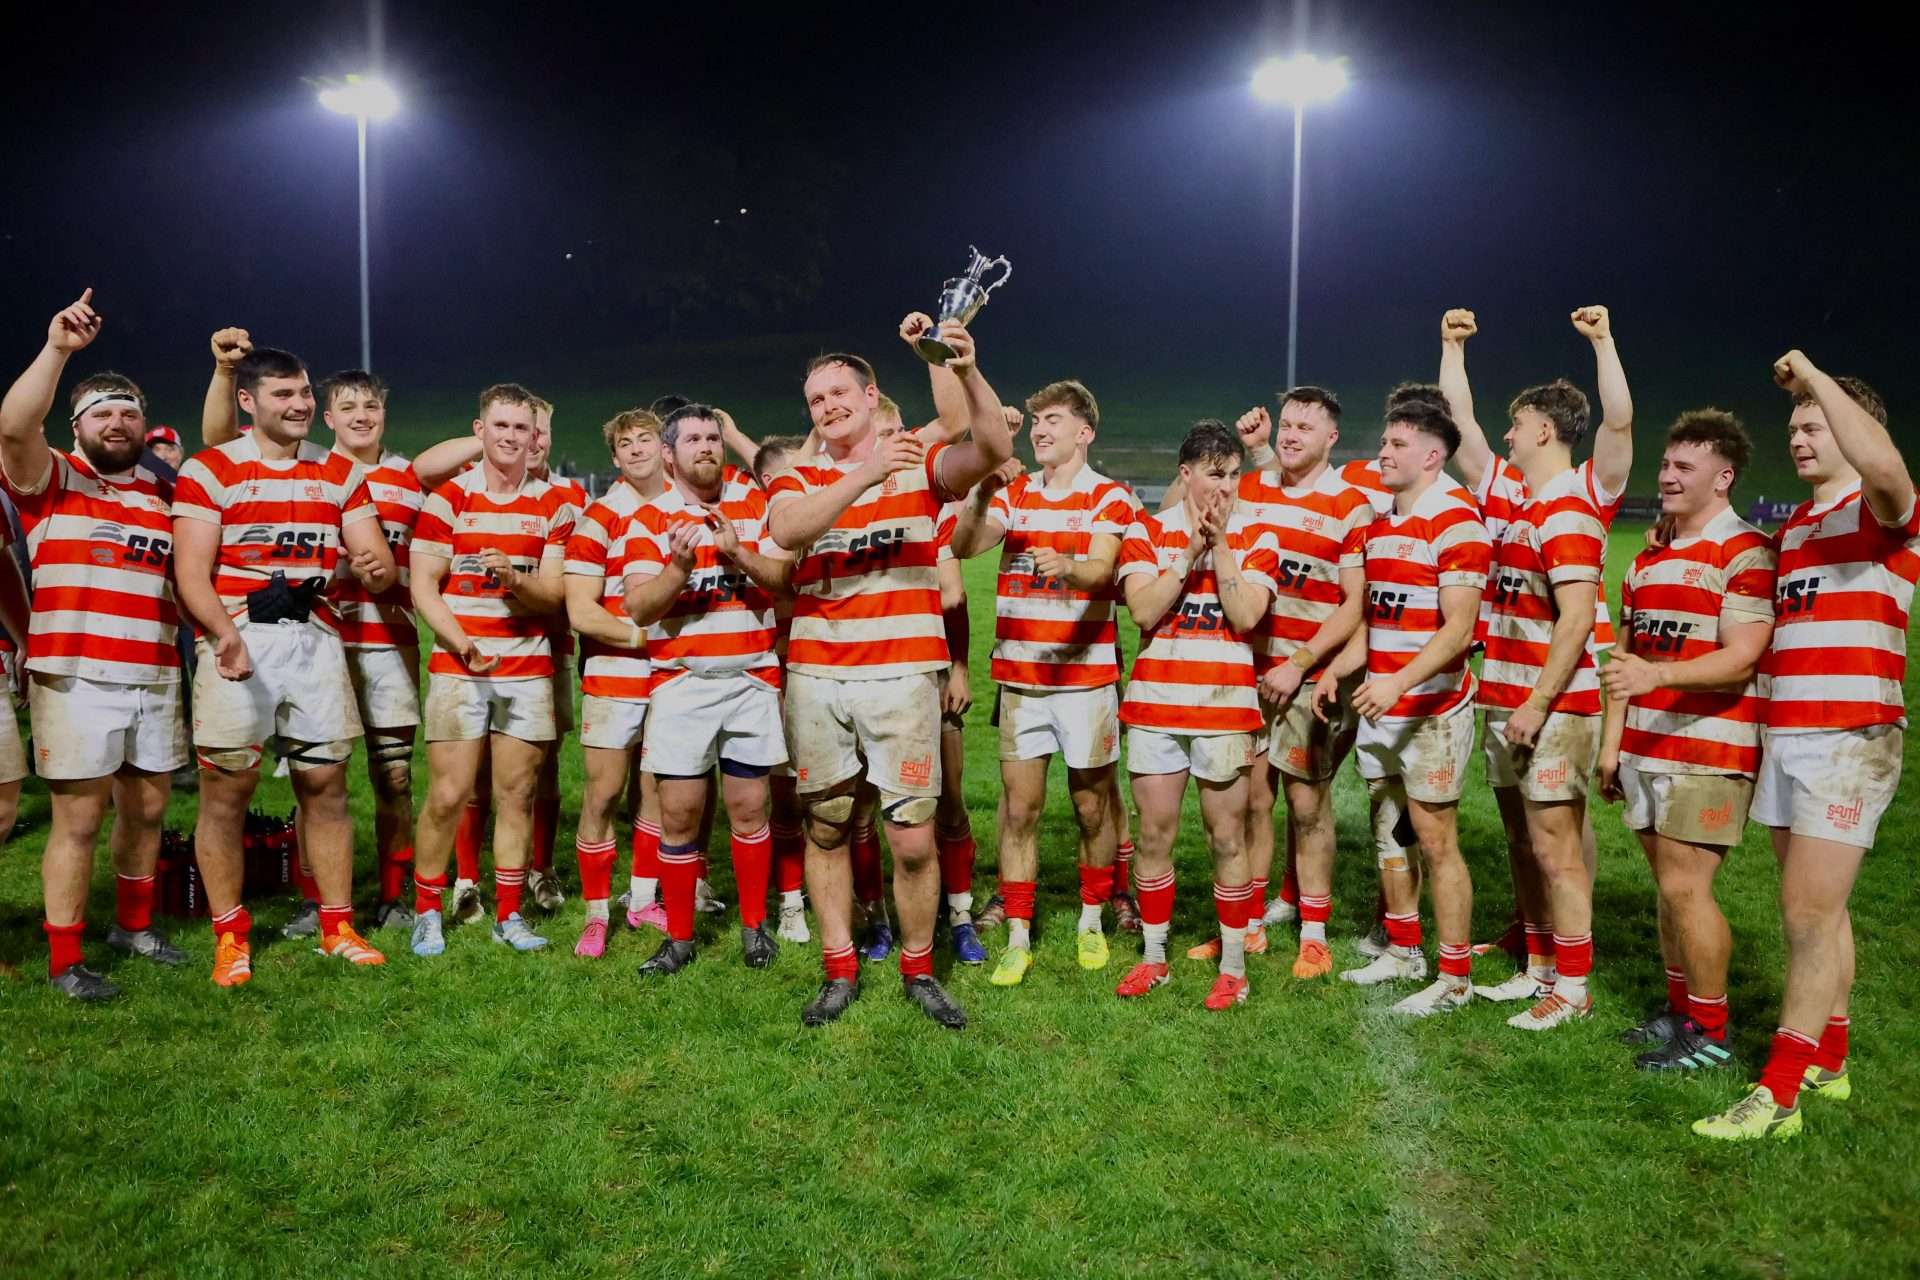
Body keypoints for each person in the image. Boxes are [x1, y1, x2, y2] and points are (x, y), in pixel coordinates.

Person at [765, 315, 1012, 1029]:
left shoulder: (917, 466)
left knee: (910, 835)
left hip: (903, 678)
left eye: (840, 391)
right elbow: (786, 531)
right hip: (816, 676)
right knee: (828, 826)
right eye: (816, 399)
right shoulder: (797, 475)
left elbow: (992, 445)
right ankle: (839, 969)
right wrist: (862, 474)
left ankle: (917, 967)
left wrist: (960, 366)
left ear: (872, 397)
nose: (828, 405)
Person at [1693, 358, 1914, 1141]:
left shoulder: (1883, 507)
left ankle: (1778, 1097)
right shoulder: (1794, 528)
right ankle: (1830, 1060)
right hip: (1788, 735)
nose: (1799, 436)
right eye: (1793, 427)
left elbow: (1885, 461)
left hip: (1849, 738)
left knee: (1806, 917)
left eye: (1814, 423)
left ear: (1855, 431)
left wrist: (1818, 379)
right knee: (1825, 912)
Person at [201, 328, 479, 932]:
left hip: (384, 644)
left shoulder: (408, 478)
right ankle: (314, 899)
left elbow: (445, 473)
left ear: (385, 413)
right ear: (327, 415)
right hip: (309, 638)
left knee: (393, 775)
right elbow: (220, 441)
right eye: (347, 406)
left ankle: (392, 894)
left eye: (371, 405)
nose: (361, 415)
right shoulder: (298, 467)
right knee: (314, 775)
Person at [171, 342, 397, 986]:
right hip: (239, 637)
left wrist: (375, 565)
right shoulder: (210, 469)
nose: (299, 406)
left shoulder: (339, 473)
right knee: (226, 794)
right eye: (284, 395)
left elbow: (370, 556)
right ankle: (231, 935)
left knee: (325, 787)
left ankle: (336, 926)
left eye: (303, 394)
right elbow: (190, 573)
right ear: (248, 402)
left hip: (315, 640)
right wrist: (223, 636)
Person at [1438, 306, 1632, 1019]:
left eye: (1517, 424)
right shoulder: (1511, 493)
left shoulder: (1581, 497)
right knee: (1525, 837)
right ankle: (1541, 958)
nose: (1506, 433)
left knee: (1561, 843)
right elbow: (1460, 424)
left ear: (1544, 430)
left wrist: (1603, 344)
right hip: (1506, 689)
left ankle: (1570, 983)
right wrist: (1451, 350)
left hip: (1554, 695)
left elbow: (1618, 423)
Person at [0, 288, 183, 1000]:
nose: (117, 421)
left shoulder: (167, 492)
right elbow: (14, 426)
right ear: (76, 428)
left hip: (157, 671)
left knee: (146, 808)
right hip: (74, 676)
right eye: (101, 412)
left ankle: (131, 926)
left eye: (128, 411)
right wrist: (58, 349)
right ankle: (64, 959)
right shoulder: (53, 478)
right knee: (79, 819)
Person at [1596, 411, 1775, 1071]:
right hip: (1646, 745)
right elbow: (1624, 658)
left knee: (1686, 889)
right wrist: (1614, 743)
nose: (1666, 476)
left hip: (1710, 750)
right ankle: (1682, 1012)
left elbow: (1743, 657)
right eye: (1666, 465)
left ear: (1723, 478)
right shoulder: (1648, 555)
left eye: (1683, 468)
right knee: (1668, 888)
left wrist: (1658, 674)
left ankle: (1712, 1032)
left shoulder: (1747, 551)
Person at [948, 380, 1133, 985]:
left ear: (1085, 432)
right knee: (1020, 810)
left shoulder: (1109, 497)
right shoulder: (1018, 492)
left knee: (1090, 806)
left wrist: (1071, 569)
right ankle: (1020, 932)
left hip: (1084, 681)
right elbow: (966, 543)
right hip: (1022, 680)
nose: (1040, 430)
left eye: (1053, 420)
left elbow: (1102, 567)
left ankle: (1089, 920)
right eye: (1036, 422)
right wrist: (980, 496)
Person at [1312, 399, 1490, 1014]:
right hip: (1381, 704)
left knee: (1436, 838)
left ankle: (1456, 978)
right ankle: (1404, 948)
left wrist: (1398, 684)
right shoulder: (1384, 521)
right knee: (1388, 825)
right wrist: (1339, 671)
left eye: (1396, 444)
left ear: (1432, 455)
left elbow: (1460, 628)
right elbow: (1374, 617)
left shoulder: (1457, 520)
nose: (1382, 452)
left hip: (1432, 711)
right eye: (1384, 441)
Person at [405, 383, 575, 957]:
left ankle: (509, 915)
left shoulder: (554, 505)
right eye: (499, 427)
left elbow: (552, 595)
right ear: (480, 432)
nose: (510, 437)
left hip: (527, 669)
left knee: (517, 794)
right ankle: (428, 910)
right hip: (460, 668)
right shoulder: (448, 499)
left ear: (535, 437)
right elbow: (424, 588)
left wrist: (515, 581)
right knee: (448, 795)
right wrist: (462, 644)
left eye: (521, 429)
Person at [623, 405, 794, 973]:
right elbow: (638, 606)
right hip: (682, 683)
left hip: (750, 678)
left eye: (713, 437)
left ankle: (753, 926)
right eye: (693, 438)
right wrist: (676, 568)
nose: (706, 446)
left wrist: (737, 552)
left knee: (750, 806)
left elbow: (783, 580)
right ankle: (678, 938)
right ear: (669, 454)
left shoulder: (753, 505)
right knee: (679, 815)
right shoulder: (649, 517)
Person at [1113, 420, 1277, 1009]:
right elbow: (1144, 610)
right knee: (1154, 835)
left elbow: (1245, 617)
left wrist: (1223, 545)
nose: (1225, 488)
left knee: (1226, 838)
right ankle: (1155, 959)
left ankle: (1233, 968)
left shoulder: (1259, 536)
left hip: (1226, 711)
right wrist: (1188, 551)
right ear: (1186, 475)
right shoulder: (1146, 533)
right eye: (1214, 475)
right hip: (1157, 709)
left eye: (1234, 475)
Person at [1229, 390, 1371, 979]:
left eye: (1305, 428)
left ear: (1330, 437)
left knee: (1307, 805)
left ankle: (1314, 934)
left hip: (1309, 678)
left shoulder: (1348, 505)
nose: (1292, 435)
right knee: (1251, 800)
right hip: (1246, 671)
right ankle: (1254, 922)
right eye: (1286, 424)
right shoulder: (1252, 488)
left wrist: (1303, 662)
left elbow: (1355, 603)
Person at [563, 409, 664, 957]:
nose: (635, 449)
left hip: (673, 678)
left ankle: (643, 899)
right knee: (603, 793)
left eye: (645, 438)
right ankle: (596, 913)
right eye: (624, 443)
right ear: (615, 457)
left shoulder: (683, 507)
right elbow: (581, 611)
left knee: (656, 791)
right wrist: (643, 639)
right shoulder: (599, 517)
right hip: (616, 673)